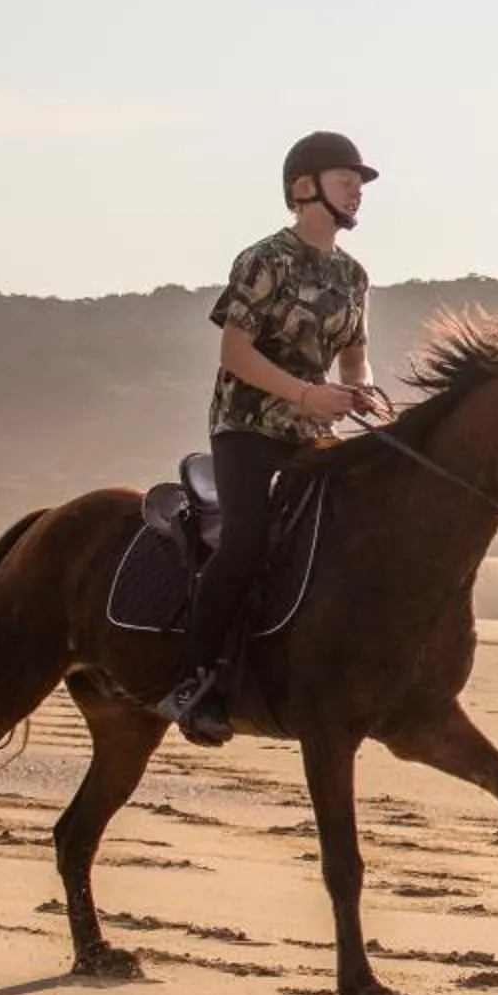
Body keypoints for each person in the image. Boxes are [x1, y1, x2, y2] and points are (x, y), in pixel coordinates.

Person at [154, 131, 390, 743]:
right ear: (305, 188)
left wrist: (360, 389)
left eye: (359, 186)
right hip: (247, 429)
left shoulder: (354, 276)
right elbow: (235, 352)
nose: (357, 193)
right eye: (346, 181)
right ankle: (194, 681)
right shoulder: (264, 260)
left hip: (314, 434)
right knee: (246, 541)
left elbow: (356, 357)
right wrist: (308, 394)